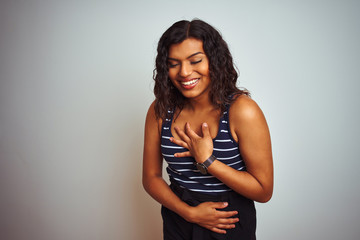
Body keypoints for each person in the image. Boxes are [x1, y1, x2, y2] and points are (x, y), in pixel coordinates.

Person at [143, 19, 273, 240]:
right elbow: (151, 177)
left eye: (195, 61)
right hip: (178, 218)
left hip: (228, 223)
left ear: (215, 60)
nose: (184, 72)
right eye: (174, 63)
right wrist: (190, 213)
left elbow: (263, 191)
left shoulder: (242, 111)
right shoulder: (160, 109)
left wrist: (208, 161)